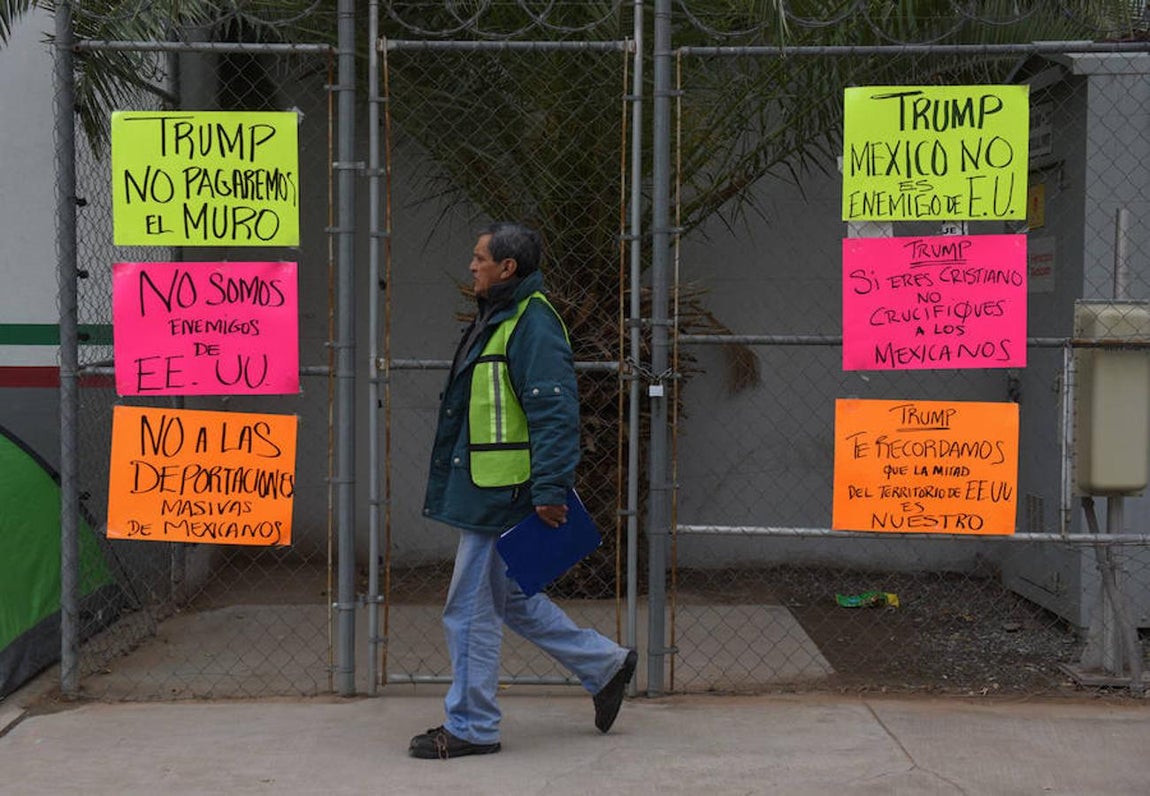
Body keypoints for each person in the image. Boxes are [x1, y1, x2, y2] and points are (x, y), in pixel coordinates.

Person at [409, 221, 638, 760]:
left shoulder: (532, 322)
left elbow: (554, 409)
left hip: (505, 493)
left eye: (480, 257)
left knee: (469, 610)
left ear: (507, 267)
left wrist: (551, 487)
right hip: (492, 486)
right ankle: (605, 664)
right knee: (510, 599)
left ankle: (472, 726)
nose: (472, 265)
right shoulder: (501, 316)